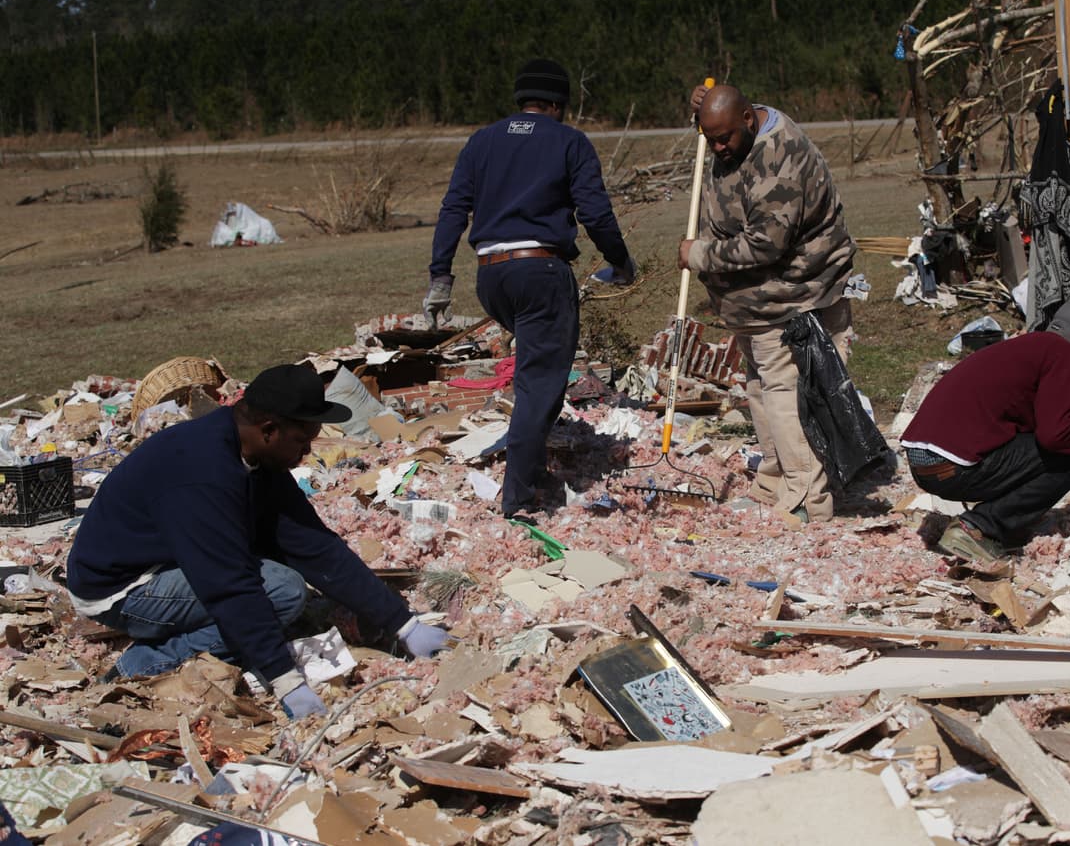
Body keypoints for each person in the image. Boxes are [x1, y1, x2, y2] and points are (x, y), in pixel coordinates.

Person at [66, 364, 449, 720]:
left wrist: (403, 625)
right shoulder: (202, 473)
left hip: (169, 561)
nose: (307, 452)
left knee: (275, 587)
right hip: (121, 588)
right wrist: (286, 681)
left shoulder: (255, 458)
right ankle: (146, 662)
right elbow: (228, 584)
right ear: (269, 430)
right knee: (282, 592)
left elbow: (313, 545)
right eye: (302, 440)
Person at [426, 58, 635, 521]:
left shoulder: (481, 141)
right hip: (539, 270)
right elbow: (595, 213)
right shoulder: (569, 141)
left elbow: (454, 209)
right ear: (559, 104)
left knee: (535, 374)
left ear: (521, 98)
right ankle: (518, 501)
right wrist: (620, 261)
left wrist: (440, 275)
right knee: (540, 384)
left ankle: (534, 470)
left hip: (491, 276)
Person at [678, 83, 858, 527]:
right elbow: (719, 116)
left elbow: (766, 244)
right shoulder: (736, 128)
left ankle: (807, 498)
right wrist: (701, 111)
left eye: (724, 138)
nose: (717, 148)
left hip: (795, 290)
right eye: (708, 138)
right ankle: (775, 478)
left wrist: (698, 254)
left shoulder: (779, 159)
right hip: (753, 298)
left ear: (746, 120)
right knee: (759, 385)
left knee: (787, 389)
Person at [901, 300, 1070, 563]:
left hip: (926, 463)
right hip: (952, 465)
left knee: (1069, 451)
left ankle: (999, 527)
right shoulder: (1065, 355)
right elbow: (1055, 437)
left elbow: (1031, 440)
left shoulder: (1031, 348)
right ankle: (978, 527)